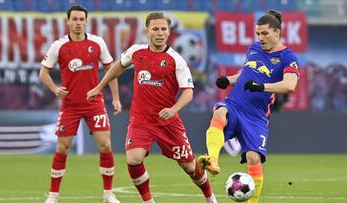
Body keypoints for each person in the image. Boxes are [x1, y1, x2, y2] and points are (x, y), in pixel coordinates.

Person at [87, 11, 217, 203]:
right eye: (155, 29)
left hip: (168, 123)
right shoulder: (136, 52)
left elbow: (188, 93)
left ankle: (210, 197)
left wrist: (173, 110)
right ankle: (149, 201)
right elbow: (118, 66)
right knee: (133, 159)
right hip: (141, 120)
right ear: (146, 31)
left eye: (163, 29)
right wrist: (99, 86)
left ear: (169, 31)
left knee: (189, 166)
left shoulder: (176, 60)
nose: (159, 33)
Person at [198, 10, 300, 203]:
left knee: (253, 158)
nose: (260, 38)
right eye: (258, 34)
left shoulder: (288, 57)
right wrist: (228, 80)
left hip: (256, 116)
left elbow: (290, 85)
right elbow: (246, 75)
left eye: (265, 33)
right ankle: (212, 160)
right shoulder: (253, 48)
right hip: (235, 104)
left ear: (277, 32)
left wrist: (263, 87)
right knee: (219, 113)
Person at [39, 5, 122, 203]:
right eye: (74, 19)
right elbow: (43, 73)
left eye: (81, 19)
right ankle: (53, 196)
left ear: (86, 21)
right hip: (70, 106)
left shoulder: (97, 42)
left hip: (94, 104)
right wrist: (55, 89)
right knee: (62, 148)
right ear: (68, 21)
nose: (78, 23)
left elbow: (112, 71)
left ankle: (108, 194)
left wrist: (116, 98)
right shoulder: (59, 46)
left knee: (105, 145)